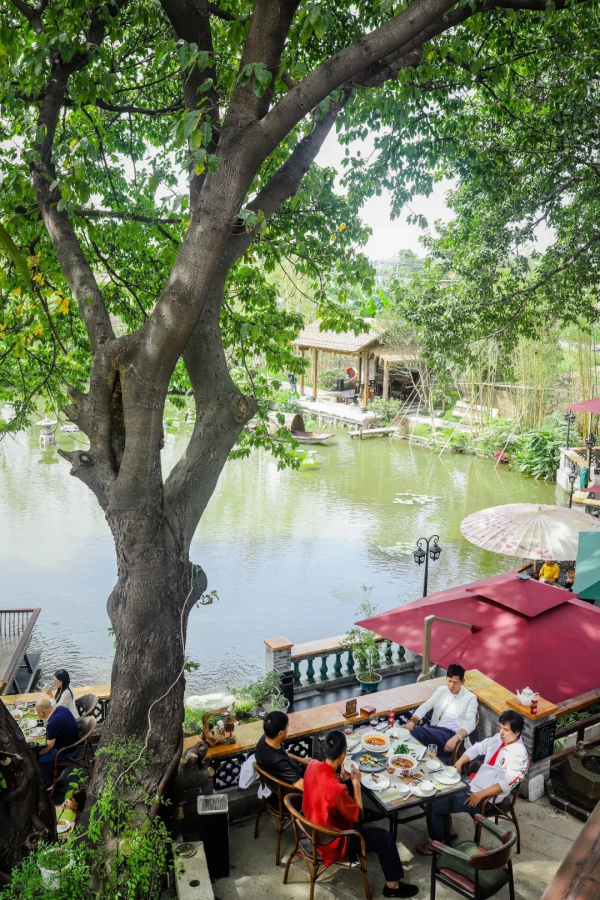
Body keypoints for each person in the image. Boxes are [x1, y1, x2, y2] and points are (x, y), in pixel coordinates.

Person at [303, 730, 418, 898]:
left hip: (313, 825)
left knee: (356, 801)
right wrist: (356, 785)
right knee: (385, 839)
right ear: (342, 755)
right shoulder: (336, 789)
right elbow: (358, 816)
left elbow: (327, 789)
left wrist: (342, 779)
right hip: (334, 841)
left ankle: (367, 841)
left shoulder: (312, 765)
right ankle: (392, 886)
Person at [417, 710, 528, 854]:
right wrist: (459, 762)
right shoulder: (498, 738)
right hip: (474, 782)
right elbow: (477, 748)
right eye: (500, 727)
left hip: (486, 798)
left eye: (506, 730)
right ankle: (448, 829)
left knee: (436, 802)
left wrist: (480, 795)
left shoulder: (519, 755)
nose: (501, 732)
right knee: (438, 788)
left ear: (517, 732)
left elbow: (508, 783)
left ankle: (437, 844)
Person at [405, 664, 477, 759]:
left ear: (462, 681)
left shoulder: (470, 698)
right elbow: (425, 706)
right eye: (449, 681)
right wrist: (412, 721)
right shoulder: (441, 690)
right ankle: (411, 760)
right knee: (412, 734)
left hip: (452, 735)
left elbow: (471, 723)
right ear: (446, 678)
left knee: (417, 732)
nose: (451, 685)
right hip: (436, 731)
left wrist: (456, 738)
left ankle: (406, 758)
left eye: (455, 682)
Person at [254, 710, 309, 789]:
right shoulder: (278, 761)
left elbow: (283, 754)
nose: (287, 729)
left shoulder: (265, 738)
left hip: (283, 775)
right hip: (292, 786)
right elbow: (301, 785)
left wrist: (301, 760)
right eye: (287, 726)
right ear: (280, 733)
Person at [35, 697, 79, 787]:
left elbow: (49, 746)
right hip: (74, 742)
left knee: (39, 760)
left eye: (37, 713)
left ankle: (48, 784)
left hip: (68, 752)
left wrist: (38, 754)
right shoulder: (61, 708)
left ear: (41, 712)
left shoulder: (53, 722)